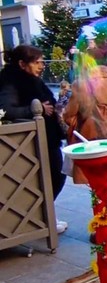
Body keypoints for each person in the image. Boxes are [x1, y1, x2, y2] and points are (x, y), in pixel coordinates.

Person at [0, 45, 68, 233]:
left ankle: (42, 216)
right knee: (50, 177)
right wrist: (33, 110)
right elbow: (5, 110)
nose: (41, 66)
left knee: (56, 175)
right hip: (31, 141)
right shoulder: (11, 82)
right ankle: (41, 217)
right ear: (22, 64)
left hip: (46, 138)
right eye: (36, 62)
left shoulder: (31, 80)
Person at [63, 65, 107, 184]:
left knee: (93, 178)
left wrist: (79, 125)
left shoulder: (80, 85)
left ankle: (99, 201)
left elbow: (68, 115)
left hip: (88, 139)